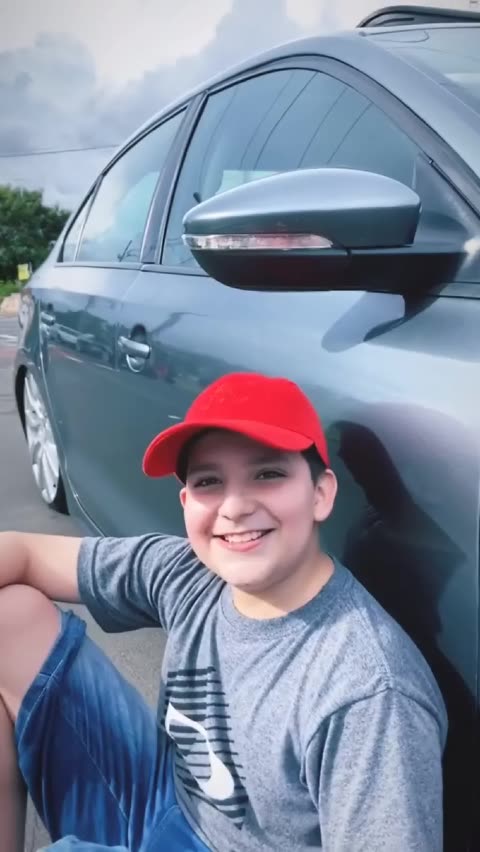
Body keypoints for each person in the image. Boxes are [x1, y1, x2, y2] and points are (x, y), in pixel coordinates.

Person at [0, 372, 447, 852]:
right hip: (164, 802)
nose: (234, 507)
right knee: (10, 617)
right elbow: (23, 553)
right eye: (209, 481)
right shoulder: (190, 573)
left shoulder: (366, 694)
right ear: (186, 502)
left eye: (267, 474)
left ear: (320, 493)